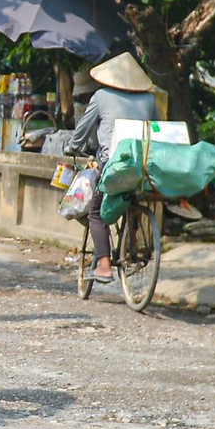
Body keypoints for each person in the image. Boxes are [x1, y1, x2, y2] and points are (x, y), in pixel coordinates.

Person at [64, 53, 159, 283]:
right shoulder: (149, 100)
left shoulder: (101, 96)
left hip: (113, 165)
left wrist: (72, 147)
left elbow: (82, 130)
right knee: (133, 198)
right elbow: (158, 129)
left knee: (96, 213)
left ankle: (104, 266)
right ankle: (132, 240)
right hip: (145, 165)